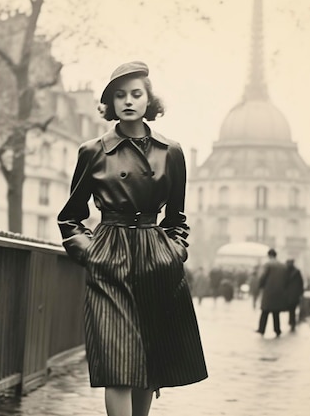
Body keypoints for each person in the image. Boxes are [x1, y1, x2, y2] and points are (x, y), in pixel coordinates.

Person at [57, 61, 208, 416]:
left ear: (148, 100)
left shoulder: (171, 151)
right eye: (119, 95)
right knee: (118, 365)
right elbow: (69, 217)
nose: (128, 101)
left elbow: (177, 218)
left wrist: (174, 251)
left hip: (155, 259)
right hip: (109, 259)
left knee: (148, 366)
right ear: (110, 103)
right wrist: (91, 251)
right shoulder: (93, 151)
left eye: (136, 94)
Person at [256, 248, 288, 337]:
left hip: (268, 291)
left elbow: (262, 277)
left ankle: (261, 329)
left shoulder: (268, 264)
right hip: (279, 291)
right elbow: (286, 279)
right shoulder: (283, 266)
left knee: (265, 312)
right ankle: (277, 330)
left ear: (269, 255)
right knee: (276, 312)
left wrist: (260, 286)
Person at [285, 259, 304, 332]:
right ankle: (292, 322)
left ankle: (292, 322)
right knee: (292, 309)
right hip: (294, 293)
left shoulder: (286, 271)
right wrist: (301, 292)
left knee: (291, 309)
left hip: (290, 293)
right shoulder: (297, 272)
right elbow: (301, 283)